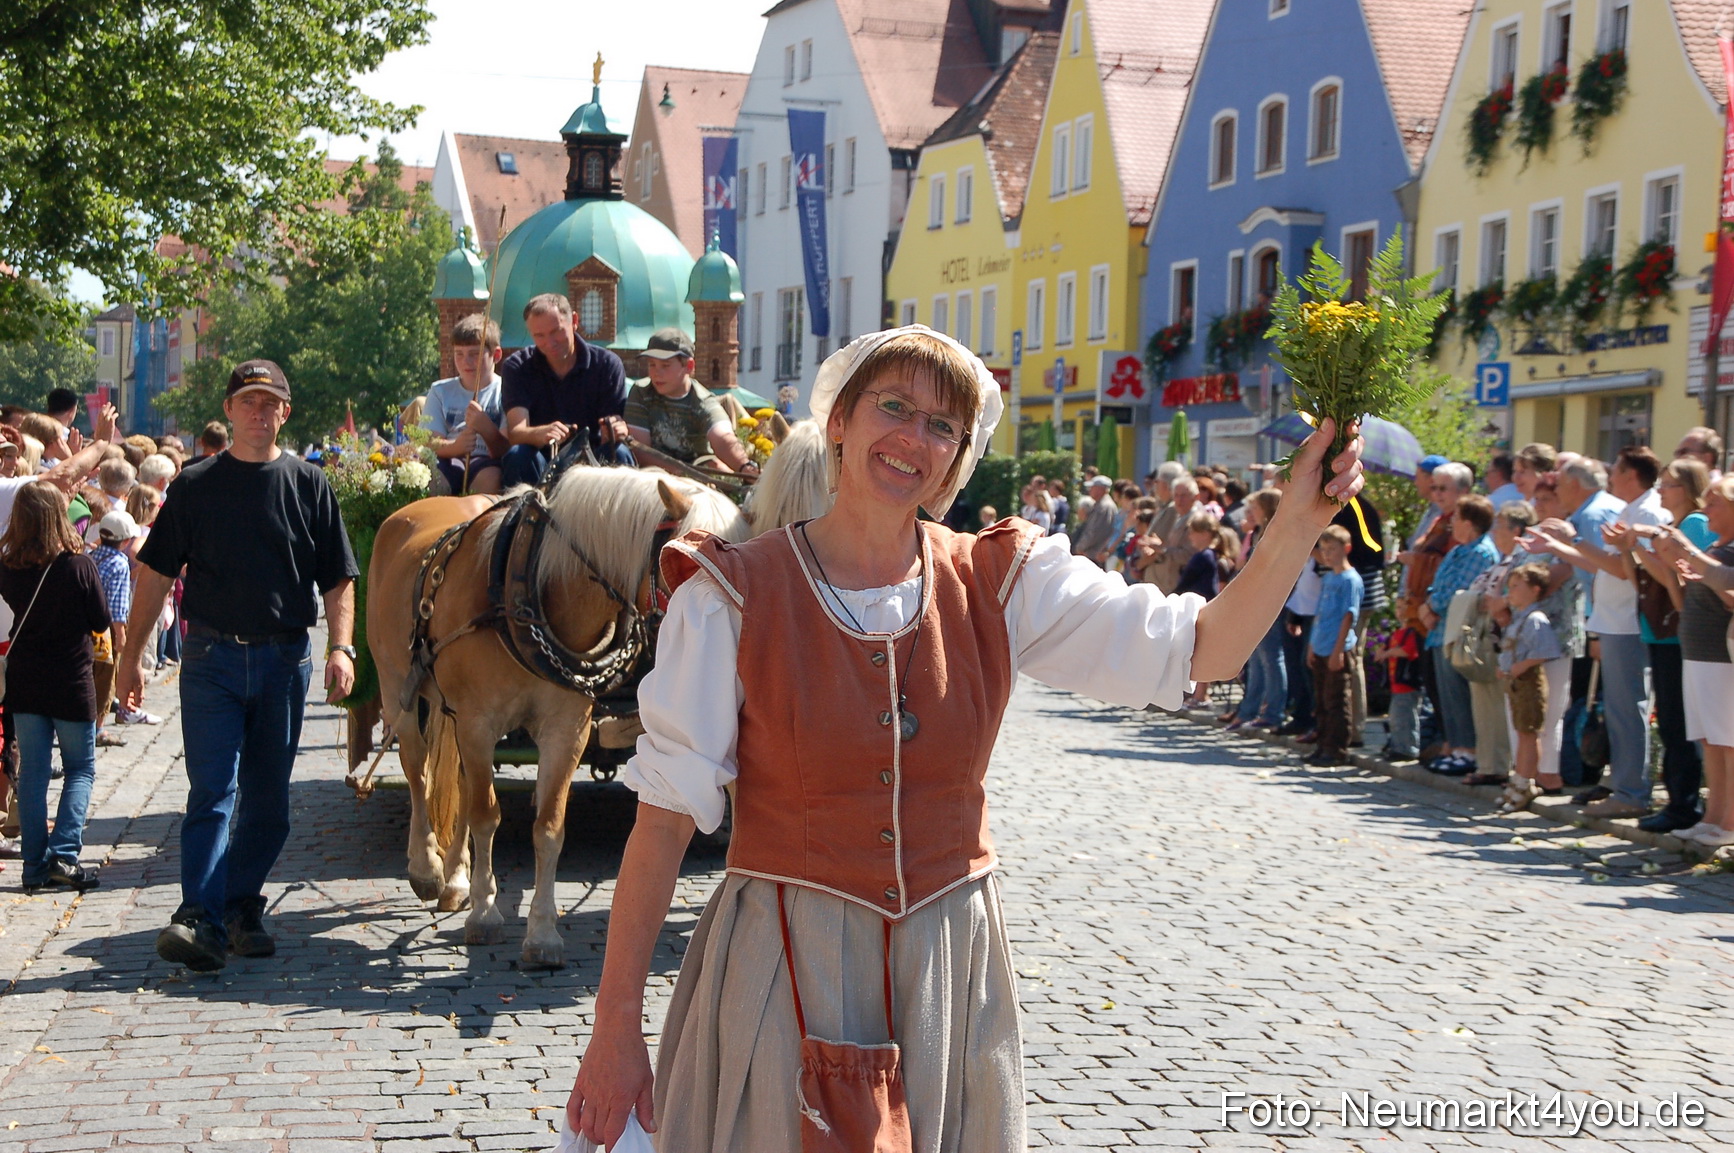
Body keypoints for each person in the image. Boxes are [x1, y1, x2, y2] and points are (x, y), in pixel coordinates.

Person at [565, 325, 1365, 1149]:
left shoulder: (1003, 578)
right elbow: (661, 823)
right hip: (781, 959)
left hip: (945, 968)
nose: (914, 437)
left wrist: (1299, 519)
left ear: (959, 456)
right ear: (839, 419)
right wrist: (616, 1028)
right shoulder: (732, 595)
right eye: (894, 406)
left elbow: (1207, 647)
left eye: (943, 425)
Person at [116, 359, 359, 972]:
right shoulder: (195, 486)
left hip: (282, 660)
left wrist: (341, 646)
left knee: (270, 803)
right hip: (210, 659)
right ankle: (198, 914)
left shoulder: (308, 484)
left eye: (268, 402)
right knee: (212, 792)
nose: (256, 411)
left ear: (285, 412)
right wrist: (131, 658)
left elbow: (338, 578)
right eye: (246, 400)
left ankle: (240, 902)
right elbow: (155, 577)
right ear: (229, 411)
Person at [1527, 450, 1664, 817]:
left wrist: (1570, 541)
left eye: (1616, 469)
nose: (1609, 477)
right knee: (1619, 710)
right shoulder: (1626, 509)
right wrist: (1561, 544)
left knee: (1627, 709)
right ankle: (1622, 784)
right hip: (1614, 618)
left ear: (1631, 475)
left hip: (1626, 621)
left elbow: (1620, 571)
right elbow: (1606, 566)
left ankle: (1631, 791)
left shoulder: (1640, 512)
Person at [1, 482, 110, 893]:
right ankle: (64, 854)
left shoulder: (7, 564)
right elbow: (100, 622)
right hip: (70, 679)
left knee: (33, 772)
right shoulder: (78, 566)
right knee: (80, 767)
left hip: (25, 679)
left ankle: (33, 866)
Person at [1624, 459, 1715, 832]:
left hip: (1679, 631)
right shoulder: (1672, 527)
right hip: (1658, 628)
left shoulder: (1693, 524)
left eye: (1669, 484)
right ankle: (1679, 802)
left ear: (1690, 489)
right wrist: (1632, 548)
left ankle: (1684, 804)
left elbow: (1679, 580)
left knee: (1680, 723)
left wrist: (1648, 551)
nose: (1660, 490)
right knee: (1672, 721)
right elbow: (1645, 579)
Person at [1654, 483, 1734, 846]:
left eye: (1715, 504)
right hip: (1698, 653)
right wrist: (1676, 564)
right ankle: (1713, 816)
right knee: (1711, 740)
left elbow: (1730, 598)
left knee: (1727, 741)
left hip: (1720, 654)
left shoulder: (1730, 551)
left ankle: (1728, 823)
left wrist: (1691, 555)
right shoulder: (1716, 548)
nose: (1707, 511)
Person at [499, 293, 631, 487]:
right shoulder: (517, 367)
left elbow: (614, 429)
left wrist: (614, 430)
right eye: (539, 336)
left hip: (594, 463)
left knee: (620, 453)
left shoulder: (607, 365)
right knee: (517, 456)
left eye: (556, 331)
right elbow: (516, 433)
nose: (549, 342)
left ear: (575, 321)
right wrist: (541, 433)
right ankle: (522, 516)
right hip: (542, 462)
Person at [622, 328, 756, 475]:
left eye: (665, 365)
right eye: (652, 364)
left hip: (701, 474)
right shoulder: (641, 393)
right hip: (656, 478)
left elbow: (723, 438)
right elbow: (641, 451)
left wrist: (745, 468)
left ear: (689, 366)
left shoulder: (703, 401)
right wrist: (684, 474)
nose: (656, 372)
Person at [1497, 563, 1566, 812]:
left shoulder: (1536, 619)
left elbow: (1546, 651)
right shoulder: (1520, 617)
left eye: (1517, 587)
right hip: (1516, 682)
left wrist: (1521, 665)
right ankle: (1518, 779)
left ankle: (1526, 782)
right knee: (1521, 731)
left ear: (1535, 590)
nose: (1511, 592)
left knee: (1529, 732)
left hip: (1529, 682)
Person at [422, 313, 509, 495]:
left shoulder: (506, 391)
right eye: (459, 354)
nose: (465, 362)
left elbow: (505, 449)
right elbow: (430, 442)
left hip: (487, 461)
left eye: (474, 354)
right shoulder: (440, 391)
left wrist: (485, 427)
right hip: (448, 460)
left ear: (496, 355)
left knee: (492, 478)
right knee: (430, 479)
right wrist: (456, 447)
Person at [1230, 488, 1287, 732]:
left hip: (1269, 599)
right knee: (1256, 657)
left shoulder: (1276, 533)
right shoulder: (1258, 532)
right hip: (1256, 599)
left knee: (1271, 657)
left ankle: (1273, 711)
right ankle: (1250, 710)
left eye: (1255, 508)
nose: (1251, 513)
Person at [1307, 525, 1363, 768]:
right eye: (1324, 549)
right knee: (1321, 700)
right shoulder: (1329, 577)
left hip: (1336, 647)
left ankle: (1336, 748)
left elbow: (1348, 616)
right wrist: (1311, 645)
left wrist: (1338, 650)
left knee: (1337, 701)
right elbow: (1320, 613)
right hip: (1320, 644)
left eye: (1332, 549)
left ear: (1346, 549)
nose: (1327, 555)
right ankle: (1322, 744)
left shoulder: (1351, 580)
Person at [1069, 475, 1117, 564]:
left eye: (1092, 487)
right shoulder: (1100, 505)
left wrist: (1079, 548)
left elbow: (1094, 532)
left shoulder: (1104, 507)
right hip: (1091, 554)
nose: (1089, 490)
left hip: (1094, 555)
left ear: (1100, 489)